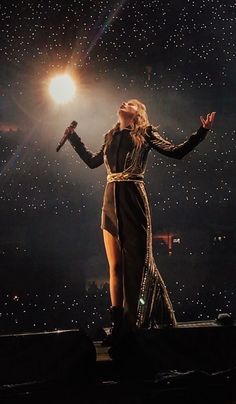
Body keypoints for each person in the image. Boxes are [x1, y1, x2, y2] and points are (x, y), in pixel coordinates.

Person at [64, 100, 216, 339]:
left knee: (136, 265)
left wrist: (202, 132)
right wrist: (74, 138)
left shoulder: (145, 133)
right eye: (125, 102)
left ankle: (133, 322)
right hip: (110, 202)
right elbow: (93, 162)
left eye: (132, 103)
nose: (126, 103)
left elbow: (176, 152)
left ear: (138, 113)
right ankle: (117, 325)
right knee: (114, 266)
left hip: (133, 200)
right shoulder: (110, 135)